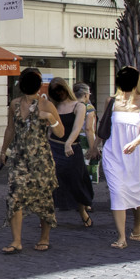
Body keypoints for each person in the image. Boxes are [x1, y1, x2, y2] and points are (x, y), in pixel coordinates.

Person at [0, 69, 65, 253]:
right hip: (19, 158)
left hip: (41, 159)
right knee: (14, 196)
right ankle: (16, 241)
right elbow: (10, 129)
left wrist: (50, 118)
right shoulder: (15, 104)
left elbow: (60, 132)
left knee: (43, 198)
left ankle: (44, 238)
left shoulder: (46, 105)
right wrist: (4, 150)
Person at [97, 67, 140, 248]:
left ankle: (137, 227)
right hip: (113, 153)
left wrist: (135, 143)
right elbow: (105, 125)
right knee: (117, 192)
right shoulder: (111, 101)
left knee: (136, 193)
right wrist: (95, 146)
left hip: (136, 155)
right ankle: (121, 237)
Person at [47, 79, 94, 227]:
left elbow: (77, 128)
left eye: (60, 89)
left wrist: (68, 143)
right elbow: (50, 129)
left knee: (76, 182)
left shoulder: (79, 106)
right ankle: (48, 216)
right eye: (54, 91)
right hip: (54, 147)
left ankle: (82, 212)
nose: (58, 93)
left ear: (66, 89)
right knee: (53, 183)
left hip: (72, 149)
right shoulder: (54, 106)